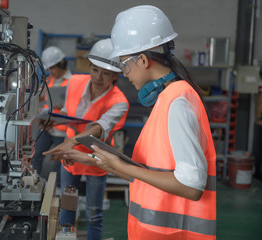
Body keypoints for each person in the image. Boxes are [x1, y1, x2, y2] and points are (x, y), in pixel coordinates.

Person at [62, 5, 216, 240]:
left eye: (124, 64)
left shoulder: (177, 102)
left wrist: (122, 167)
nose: (123, 73)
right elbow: (153, 173)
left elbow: (191, 186)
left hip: (169, 234)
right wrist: (100, 161)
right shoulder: (168, 99)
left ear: (143, 60)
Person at [43, 38, 129, 240]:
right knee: (67, 207)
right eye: (95, 69)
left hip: (95, 160)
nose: (99, 77)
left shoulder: (119, 102)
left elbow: (100, 127)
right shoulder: (75, 82)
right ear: (89, 66)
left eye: (106, 73)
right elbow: (68, 112)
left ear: (116, 75)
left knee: (93, 213)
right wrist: (53, 121)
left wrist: (71, 141)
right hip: (70, 157)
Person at [32, 46, 72, 186]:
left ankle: (58, 191)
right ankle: (33, 183)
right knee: (35, 156)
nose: (50, 72)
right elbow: (43, 98)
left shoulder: (72, 82)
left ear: (61, 64)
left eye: (52, 68)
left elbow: (74, 107)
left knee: (60, 162)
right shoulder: (49, 80)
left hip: (61, 131)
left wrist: (65, 106)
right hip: (45, 127)